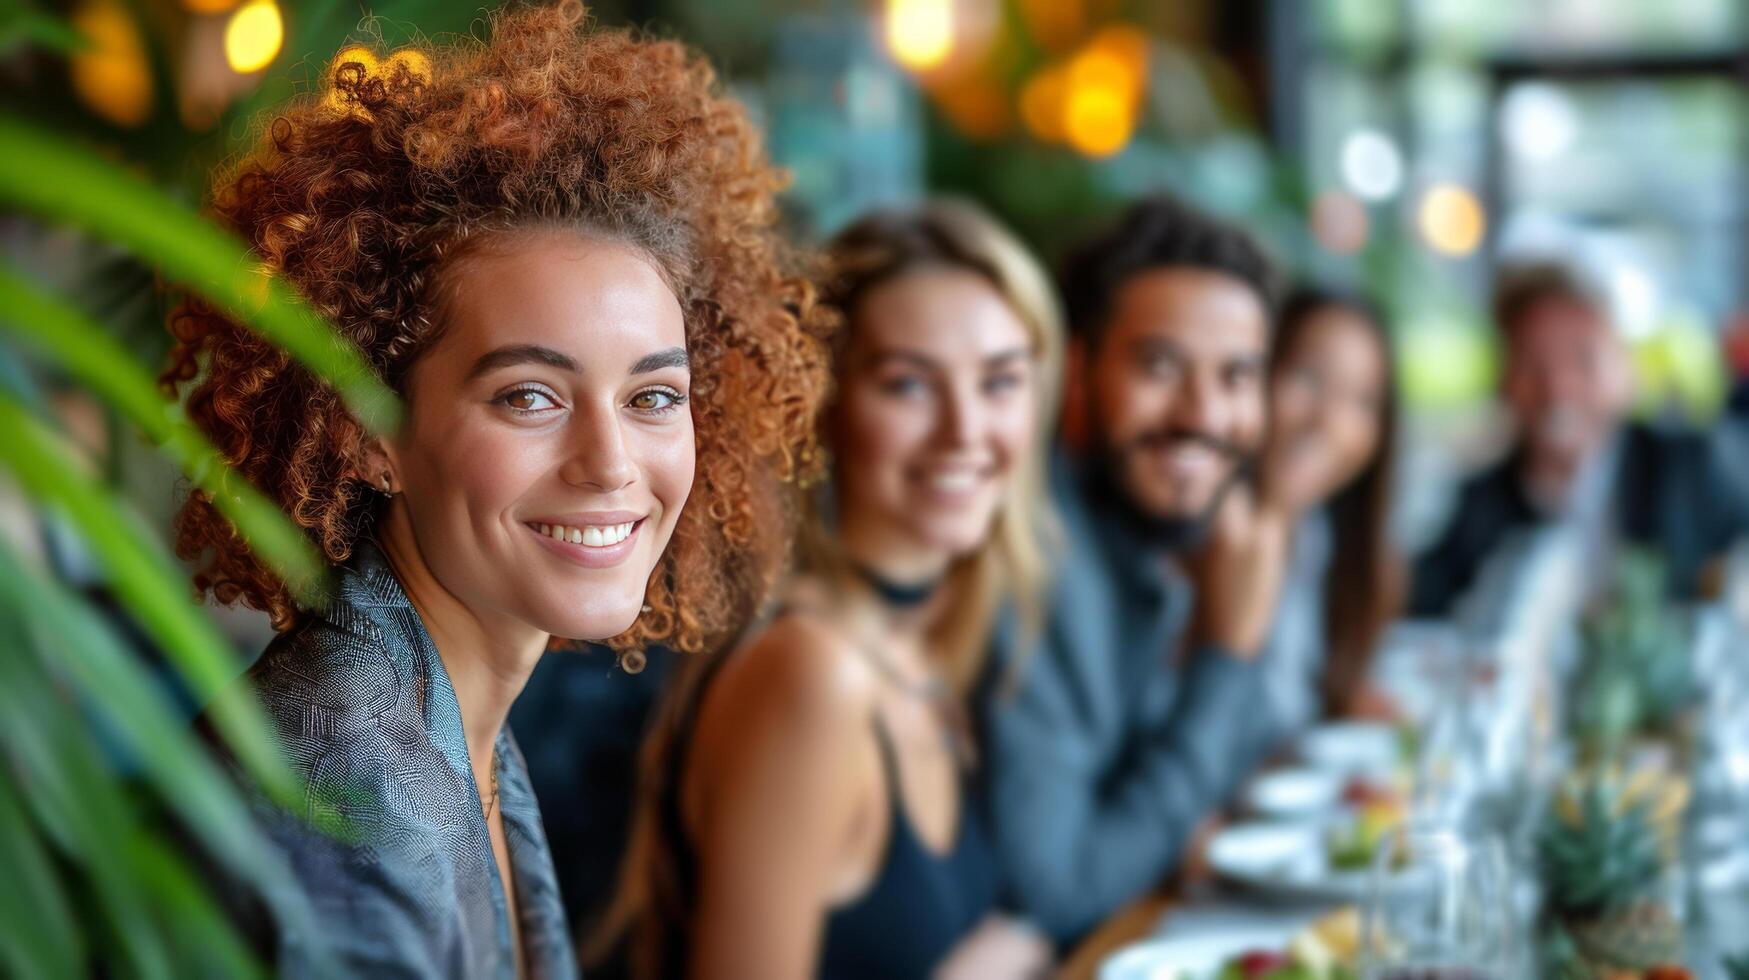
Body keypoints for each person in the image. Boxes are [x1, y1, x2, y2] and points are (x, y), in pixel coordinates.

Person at [162, 3, 830, 974]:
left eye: (652, 393)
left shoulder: (439, 700)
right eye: (529, 395)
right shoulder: (350, 783)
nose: (609, 460)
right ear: (371, 432)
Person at [601, 201, 1063, 980]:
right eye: (910, 385)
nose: (965, 430)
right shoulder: (811, 674)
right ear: (824, 406)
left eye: (1000, 381)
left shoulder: (924, 644)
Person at [977, 195, 1284, 945]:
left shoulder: (1173, 545)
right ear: (1076, 373)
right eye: (1159, 366)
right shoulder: (1034, 562)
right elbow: (1065, 887)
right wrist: (1225, 656)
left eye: (1236, 376)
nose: (1204, 415)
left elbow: (1245, 780)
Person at [1410, 262, 1746, 617]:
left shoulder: (1688, 467)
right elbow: (1419, 601)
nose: (1557, 387)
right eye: (1532, 363)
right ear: (1502, 381)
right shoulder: (1480, 503)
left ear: (1624, 373)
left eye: (1583, 359)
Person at [1198, 287, 1404, 745]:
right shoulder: (1195, 547)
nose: (1328, 422)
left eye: (1361, 400)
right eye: (1308, 378)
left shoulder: (1318, 537)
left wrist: (1341, 704)